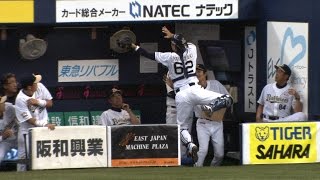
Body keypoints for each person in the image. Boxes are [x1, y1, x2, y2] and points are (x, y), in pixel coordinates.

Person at [131, 26, 233, 164]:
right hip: (195, 89)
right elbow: (182, 42)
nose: (171, 45)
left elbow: (148, 54)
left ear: (174, 46)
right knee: (227, 98)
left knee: (182, 128)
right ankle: (211, 107)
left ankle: (190, 145)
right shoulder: (191, 49)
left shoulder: (169, 57)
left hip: (182, 94)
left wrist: (134, 46)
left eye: (172, 44)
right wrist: (173, 36)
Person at [15, 73, 55, 171]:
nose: (38, 83)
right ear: (29, 87)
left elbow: (50, 103)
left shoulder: (40, 87)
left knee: (42, 155)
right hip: (27, 131)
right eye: (35, 82)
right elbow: (29, 120)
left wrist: (38, 102)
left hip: (43, 127)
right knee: (23, 157)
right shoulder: (20, 99)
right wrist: (44, 124)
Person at [193, 64, 229, 167]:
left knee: (219, 154)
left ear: (205, 73)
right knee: (203, 151)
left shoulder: (215, 84)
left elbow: (228, 98)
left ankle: (213, 171)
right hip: (203, 122)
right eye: (195, 71)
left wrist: (221, 110)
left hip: (217, 122)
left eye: (199, 71)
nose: (197, 73)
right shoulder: (193, 89)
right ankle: (196, 171)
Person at [0, 95, 18, 167]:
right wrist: (3, 137)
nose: (4, 104)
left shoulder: (10, 108)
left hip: (18, 138)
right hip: (5, 142)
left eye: (3, 102)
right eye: (1, 103)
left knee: (29, 152)